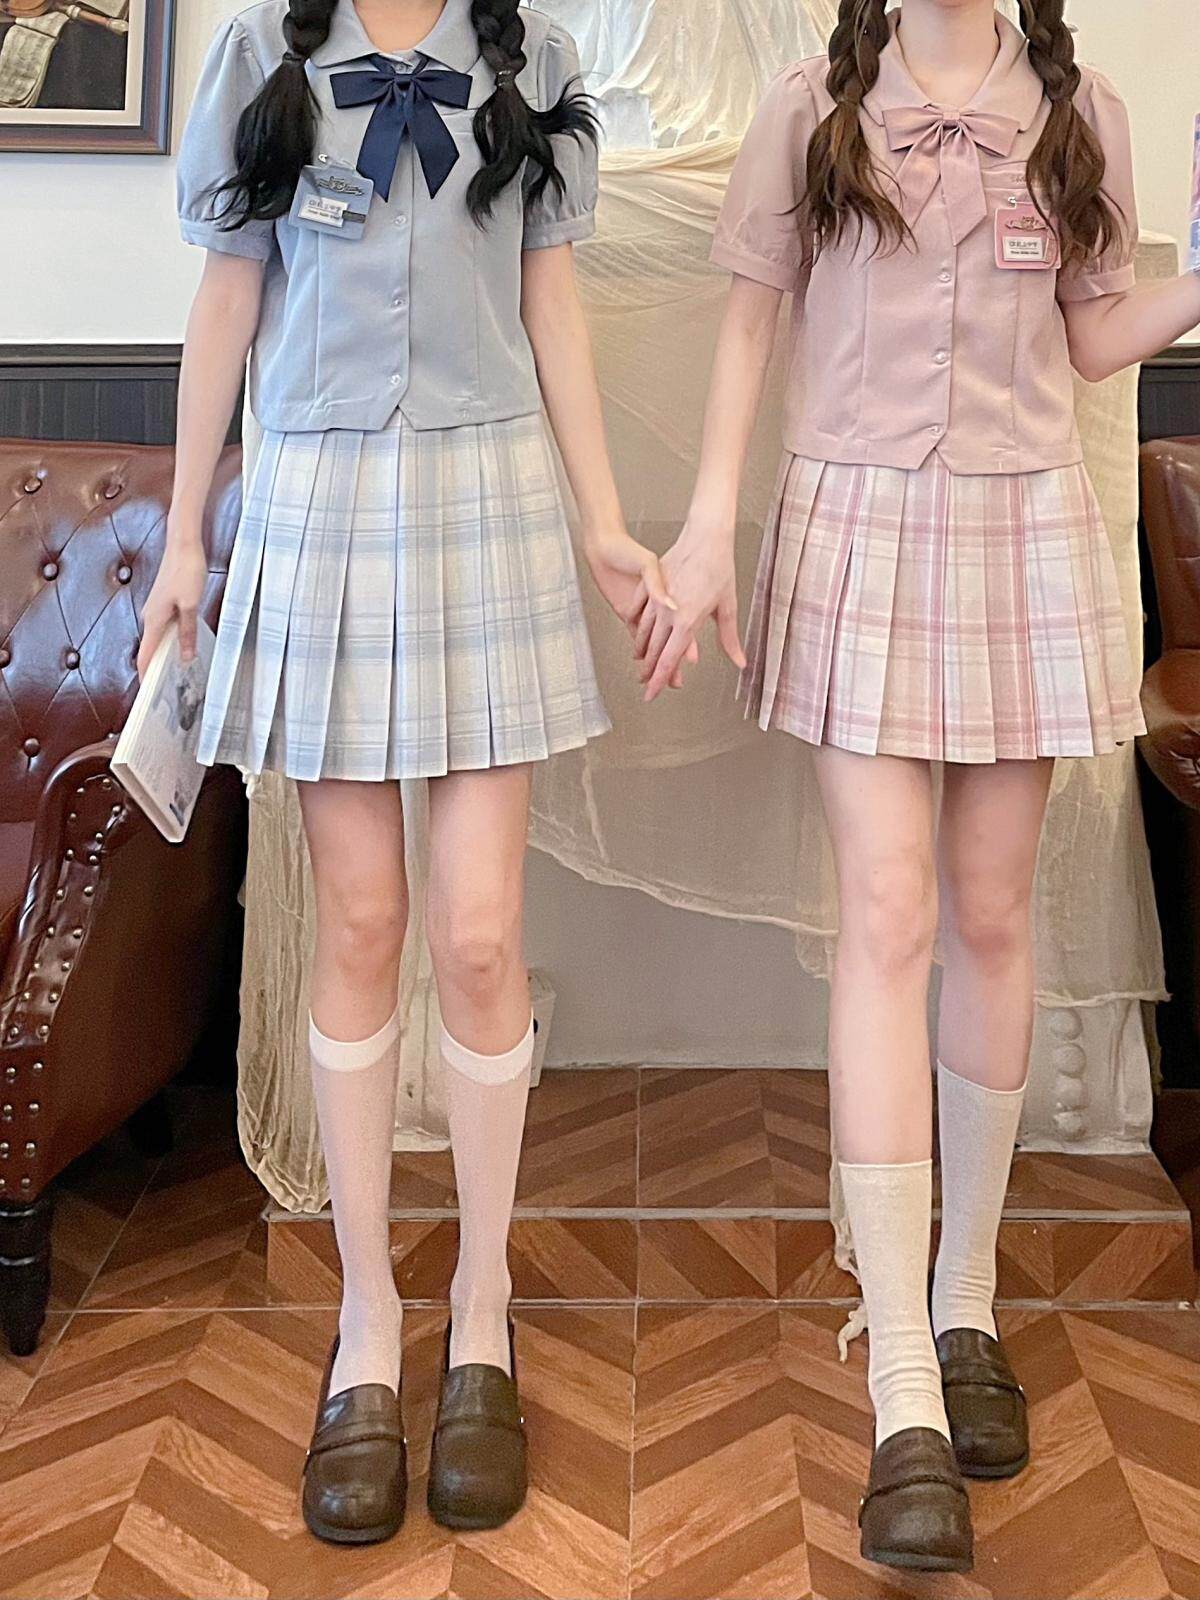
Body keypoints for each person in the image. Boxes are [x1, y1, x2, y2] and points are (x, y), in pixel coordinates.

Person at [632, 0, 1200, 1574]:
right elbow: (748, 324)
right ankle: (898, 1374)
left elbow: (1093, 334)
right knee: (885, 916)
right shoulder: (809, 103)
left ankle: (967, 1303)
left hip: (1024, 530)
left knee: (994, 920)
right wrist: (706, 527)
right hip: (858, 530)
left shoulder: (1082, 114)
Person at [145, 0, 671, 1547]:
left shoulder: (531, 60)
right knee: (363, 924)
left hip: (488, 487)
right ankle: (369, 1316)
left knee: (481, 937)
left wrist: (603, 521)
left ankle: (484, 1305)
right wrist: (184, 539)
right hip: (315, 492)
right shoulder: (260, 58)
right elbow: (226, 301)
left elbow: (551, 301)